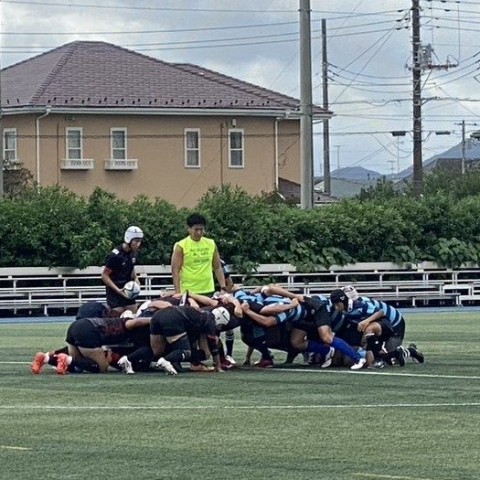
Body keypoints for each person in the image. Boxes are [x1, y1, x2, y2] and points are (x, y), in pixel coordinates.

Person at [171, 213, 227, 296]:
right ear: (189, 229)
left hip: (208, 289)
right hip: (188, 291)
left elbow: (217, 266)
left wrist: (223, 287)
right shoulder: (181, 245)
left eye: (201, 229)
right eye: (196, 229)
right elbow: (175, 269)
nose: (199, 232)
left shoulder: (211, 243)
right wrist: (178, 291)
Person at [102, 226, 144, 314]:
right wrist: (118, 290)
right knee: (117, 316)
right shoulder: (115, 256)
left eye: (140, 241)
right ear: (129, 240)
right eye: (136, 241)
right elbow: (104, 275)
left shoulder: (134, 253)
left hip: (128, 289)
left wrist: (136, 279)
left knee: (133, 313)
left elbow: (131, 267)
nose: (138, 244)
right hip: (115, 291)